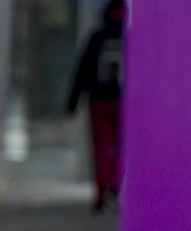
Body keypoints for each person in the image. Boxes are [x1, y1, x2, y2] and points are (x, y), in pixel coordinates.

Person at [67, 0, 126, 213]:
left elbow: (82, 71)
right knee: (122, 146)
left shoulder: (97, 37)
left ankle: (101, 192)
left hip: (98, 101)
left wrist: (72, 103)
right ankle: (117, 185)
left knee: (101, 147)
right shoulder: (131, 37)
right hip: (124, 103)